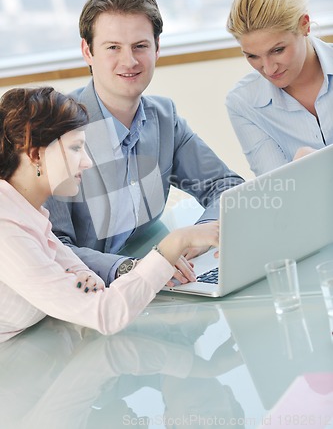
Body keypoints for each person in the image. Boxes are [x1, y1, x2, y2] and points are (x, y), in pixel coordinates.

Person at [45, 0, 243, 286]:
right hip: (87, 295)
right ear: (87, 51)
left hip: (156, 285)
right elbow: (53, 248)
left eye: (140, 46)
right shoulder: (55, 130)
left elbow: (226, 185)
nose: (130, 61)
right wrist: (134, 269)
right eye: (113, 47)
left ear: (157, 49)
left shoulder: (164, 118)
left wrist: (201, 234)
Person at [0, 86, 219, 343]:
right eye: (75, 148)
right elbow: (105, 313)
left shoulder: (29, 213)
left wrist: (81, 280)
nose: (87, 162)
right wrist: (174, 243)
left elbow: (88, 288)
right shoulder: (7, 227)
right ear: (36, 154)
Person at [225, 0, 333, 176]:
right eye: (252, 56)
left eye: (278, 50)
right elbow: (277, 189)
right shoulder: (243, 103)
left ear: (304, 25)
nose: (268, 69)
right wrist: (296, 174)